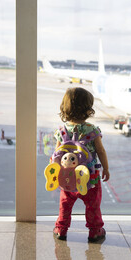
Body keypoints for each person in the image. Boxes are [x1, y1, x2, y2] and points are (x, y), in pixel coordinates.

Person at [52, 87, 110, 243]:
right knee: (93, 205)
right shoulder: (92, 130)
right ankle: (95, 231)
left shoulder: (61, 131)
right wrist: (106, 168)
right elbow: (101, 151)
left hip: (68, 178)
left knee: (65, 204)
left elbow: (57, 154)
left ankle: (61, 229)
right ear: (88, 109)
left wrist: (55, 172)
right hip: (89, 178)